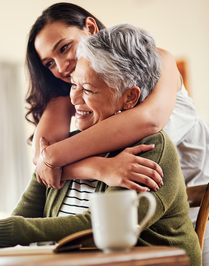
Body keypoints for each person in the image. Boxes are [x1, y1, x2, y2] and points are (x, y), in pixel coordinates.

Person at [0, 24, 201, 265]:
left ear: (128, 98)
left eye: (88, 89)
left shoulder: (149, 148)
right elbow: (23, 216)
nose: (75, 100)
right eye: (72, 85)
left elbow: (96, 228)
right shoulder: (71, 145)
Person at [26, 3, 209, 262]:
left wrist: (54, 158)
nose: (61, 67)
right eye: (49, 63)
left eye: (64, 48)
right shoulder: (72, 90)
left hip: (197, 200)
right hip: (140, 205)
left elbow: (149, 120)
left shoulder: (156, 61)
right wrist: (98, 168)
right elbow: (41, 160)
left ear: (90, 27)